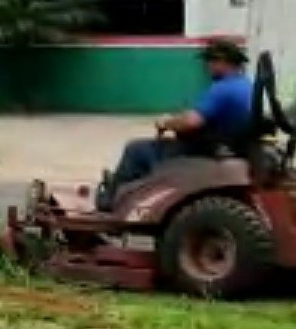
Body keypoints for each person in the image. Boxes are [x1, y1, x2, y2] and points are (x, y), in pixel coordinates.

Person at [97, 38, 254, 211]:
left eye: (210, 61)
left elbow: (192, 121)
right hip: (224, 145)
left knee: (136, 149)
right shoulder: (246, 85)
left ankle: (112, 201)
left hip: (203, 150)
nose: (207, 66)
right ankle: (127, 191)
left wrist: (166, 122)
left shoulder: (223, 89)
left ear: (222, 62)